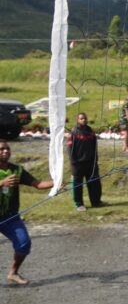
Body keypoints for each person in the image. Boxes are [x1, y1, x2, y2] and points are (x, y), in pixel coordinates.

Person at [0, 139, 54, 285]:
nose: (6, 151)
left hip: (10, 217)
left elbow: (38, 184)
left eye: (7, 148)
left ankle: (13, 273)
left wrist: (56, 183)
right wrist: (2, 183)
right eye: (2, 149)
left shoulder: (17, 170)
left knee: (23, 244)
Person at [67, 112, 104, 211]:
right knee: (77, 185)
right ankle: (79, 204)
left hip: (91, 162)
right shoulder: (73, 132)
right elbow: (70, 148)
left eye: (85, 118)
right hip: (77, 163)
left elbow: (94, 146)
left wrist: (95, 159)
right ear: (77, 120)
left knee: (94, 183)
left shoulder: (90, 131)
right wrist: (73, 161)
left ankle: (96, 202)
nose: (84, 120)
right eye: (81, 118)